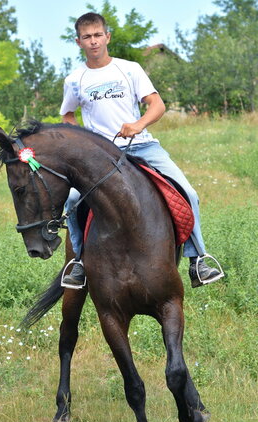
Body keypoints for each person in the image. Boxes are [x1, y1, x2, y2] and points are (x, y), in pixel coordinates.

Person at [59, 12, 223, 289]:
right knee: (72, 200)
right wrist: (86, 140)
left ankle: (198, 260)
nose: (94, 41)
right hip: (101, 155)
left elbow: (157, 105)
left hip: (143, 145)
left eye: (98, 35)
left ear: (107, 37)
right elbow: (67, 116)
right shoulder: (74, 80)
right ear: (78, 42)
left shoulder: (130, 68)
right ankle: (78, 263)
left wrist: (138, 124)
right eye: (87, 37)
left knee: (188, 192)